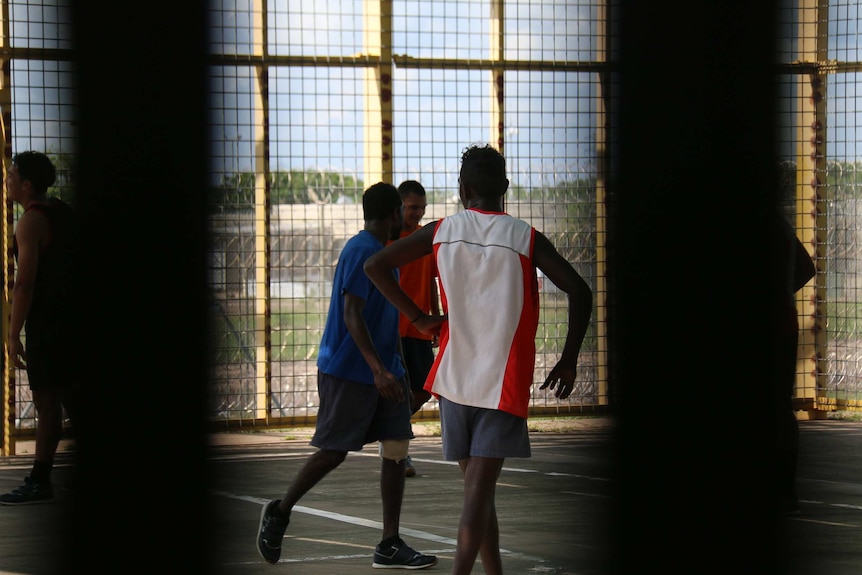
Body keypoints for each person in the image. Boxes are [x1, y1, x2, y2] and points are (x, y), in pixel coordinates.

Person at [365, 144, 593, 575]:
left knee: (478, 494)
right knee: (477, 496)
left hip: (453, 380)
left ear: (462, 188)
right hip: (501, 383)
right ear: (505, 187)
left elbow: (376, 266)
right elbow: (580, 292)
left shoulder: (441, 230)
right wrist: (567, 359)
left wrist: (417, 316)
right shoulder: (525, 237)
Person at [256, 182, 437, 570]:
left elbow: (385, 317)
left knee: (395, 448)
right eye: (403, 211)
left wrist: (395, 367)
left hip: (387, 370)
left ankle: (389, 542)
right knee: (334, 451)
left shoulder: (386, 254)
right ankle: (280, 512)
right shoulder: (362, 251)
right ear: (392, 214)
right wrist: (376, 369)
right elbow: (352, 313)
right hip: (350, 371)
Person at [2, 151, 81, 505]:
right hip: (73, 317)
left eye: (11, 175)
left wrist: (12, 333)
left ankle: (39, 479)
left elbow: (25, 283)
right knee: (72, 398)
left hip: (49, 322)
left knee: (47, 401)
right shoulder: (61, 211)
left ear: (26, 184)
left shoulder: (30, 222)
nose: (7, 181)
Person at [770, 180, 816, 515]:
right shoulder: (780, 226)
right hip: (782, 323)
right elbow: (807, 267)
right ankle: (785, 487)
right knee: (780, 407)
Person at [391, 179, 439, 477]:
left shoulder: (425, 240)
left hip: (420, 328)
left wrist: (435, 316)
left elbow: (431, 282)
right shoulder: (390, 241)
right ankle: (398, 451)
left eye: (422, 208)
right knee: (401, 390)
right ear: (399, 207)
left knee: (424, 388)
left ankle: (392, 428)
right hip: (396, 329)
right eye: (412, 208)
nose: (418, 213)